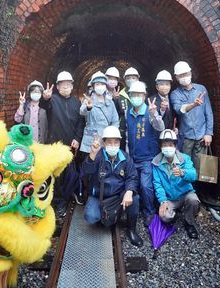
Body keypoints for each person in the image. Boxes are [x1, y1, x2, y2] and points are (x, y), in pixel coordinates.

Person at [83, 126, 144, 247]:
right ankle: (105, 216)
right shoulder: (98, 155)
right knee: (91, 217)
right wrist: (92, 155)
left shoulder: (125, 158)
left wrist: (129, 191)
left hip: (118, 195)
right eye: (109, 142)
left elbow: (132, 177)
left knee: (135, 198)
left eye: (116, 142)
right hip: (99, 196)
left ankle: (131, 230)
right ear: (104, 143)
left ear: (119, 143)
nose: (113, 145)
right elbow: (86, 172)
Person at [40, 71, 85, 217]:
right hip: (55, 144)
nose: (66, 87)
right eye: (63, 85)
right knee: (57, 175)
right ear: (57, 87)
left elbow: (80, 122)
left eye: (68, 85)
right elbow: (44, 105)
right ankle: (58, 202)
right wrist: (45, 98)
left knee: (69, 174)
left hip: (70, 144)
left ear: (72, 86)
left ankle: (66, 197)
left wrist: (77, 138)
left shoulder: (76, 102)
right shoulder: (52, 100)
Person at [125, 81, 165, 226]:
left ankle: (149, 212)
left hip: (148, 158)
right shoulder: (127, 112)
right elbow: (128, 137)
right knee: (130, 184)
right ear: (129, 96)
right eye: (133, 94)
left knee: (146, 185)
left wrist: (154, 114)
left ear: (144, 95)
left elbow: (160, 127)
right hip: (132, 158)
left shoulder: (150, 111)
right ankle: (132, 210)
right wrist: (128, 155)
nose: (135, 97)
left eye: (138, 94)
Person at [78, 71, 120, 204]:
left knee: (103, 168)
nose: (100, 86)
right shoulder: (88, 99)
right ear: (93, 85)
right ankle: (85, 194)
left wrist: (112, 136)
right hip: (91, 140)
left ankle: (101, 193)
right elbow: (82, 111)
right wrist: (88, 107)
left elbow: (115, 120)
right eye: (97, 84)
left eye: (102, 83)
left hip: (106, 141)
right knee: (88, 169)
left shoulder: (110, 102)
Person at [152, 129, 200, 239]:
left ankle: (189, 223)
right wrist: (162, 201)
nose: (167, 147)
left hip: (184, 194)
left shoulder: (184, 159)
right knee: (164, 216)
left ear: (175, 146)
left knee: (193, 200)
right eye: (165, 144)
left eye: (170, 144)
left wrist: (183, 173)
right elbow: (157, 184)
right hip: (169, 198)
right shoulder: (156, 163)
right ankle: (174, 213)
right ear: (160, 147)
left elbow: (194, 175)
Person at [170, 61, 214, 165]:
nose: (184, 77)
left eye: (186, 74)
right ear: (176, 77)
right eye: (181, 75)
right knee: (184, 166)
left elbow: (208, 112)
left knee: (201, 168)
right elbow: (178, 109)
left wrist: (208, 133)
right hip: (185, 137)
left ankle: (198, 182)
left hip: (201, 136)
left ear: (190, 73)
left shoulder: (201, 89)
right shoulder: (175, 94)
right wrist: (193, 105)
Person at [114, 67, 139, 150]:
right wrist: (114, 100)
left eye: (133, 78)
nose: (131, 80)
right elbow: (115, 114)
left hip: (138, 128)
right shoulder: (120, 96)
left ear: (138, 79)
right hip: (123, 130)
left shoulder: (142, 95)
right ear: (124, 80)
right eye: (128, 78)